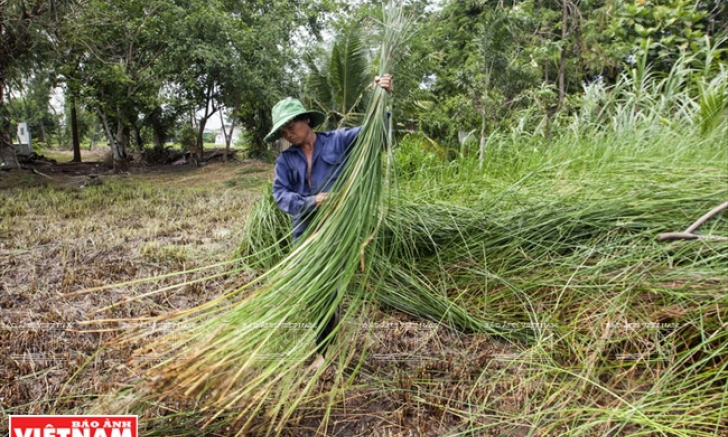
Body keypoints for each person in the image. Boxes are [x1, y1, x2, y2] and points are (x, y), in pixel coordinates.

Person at [266, 74, 393, 370]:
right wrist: (312, 201)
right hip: (306, 234)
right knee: (317, 293)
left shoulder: (340, 140)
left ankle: (335, 346)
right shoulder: (285, 161)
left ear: (306, 120)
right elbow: (281, 195)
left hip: (339, 231)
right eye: (282, 130)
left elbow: (378, 136)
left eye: (291, 125)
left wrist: (383, 97)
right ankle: (325, 351)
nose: (288, 133)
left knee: (334, 288)